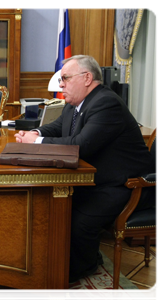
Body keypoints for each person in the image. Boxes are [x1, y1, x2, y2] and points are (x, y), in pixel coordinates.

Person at [14, 55, 154, 282]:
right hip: (94, 179)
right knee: (50, 206)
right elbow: (57, 127)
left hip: (125, 184)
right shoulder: (75, 104)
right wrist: (35, 134)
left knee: (79, 221)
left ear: (87, 78)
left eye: (65, 78)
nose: (61, 84)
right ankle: (51, 261)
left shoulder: (106, 103)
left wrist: (36, 143)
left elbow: (82, 145)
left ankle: (75, 270)